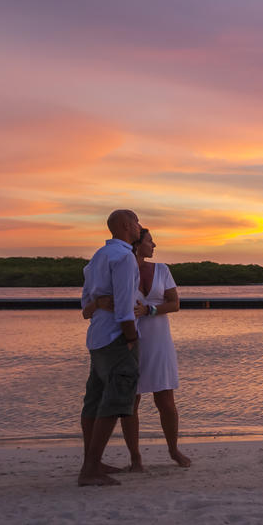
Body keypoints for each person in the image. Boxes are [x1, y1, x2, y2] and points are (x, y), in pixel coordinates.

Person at [84, 228, 191, 469]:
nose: (154, 245)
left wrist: (149, 310)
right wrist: (100, 304)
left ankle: (174, 450)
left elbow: (174, 304)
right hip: (129, 338)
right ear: (137, 244)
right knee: (131, 400)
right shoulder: (121, 269)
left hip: (159, 339)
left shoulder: (162, 270)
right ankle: (135, 458)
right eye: (150, 241)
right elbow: (92, 306)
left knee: (165, 400)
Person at [78, 209, 142, 487]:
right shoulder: (124, 257)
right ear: (127, 225)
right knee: (114, 401)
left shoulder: (98, 257)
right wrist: (131, 338)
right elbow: (126, 305)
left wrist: (97, 306)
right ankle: (90, 468)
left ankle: (91, 461)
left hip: (97, 336)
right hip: (115, 337)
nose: (140, 227)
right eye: (137, 222)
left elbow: (85, 306)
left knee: (94, 399)